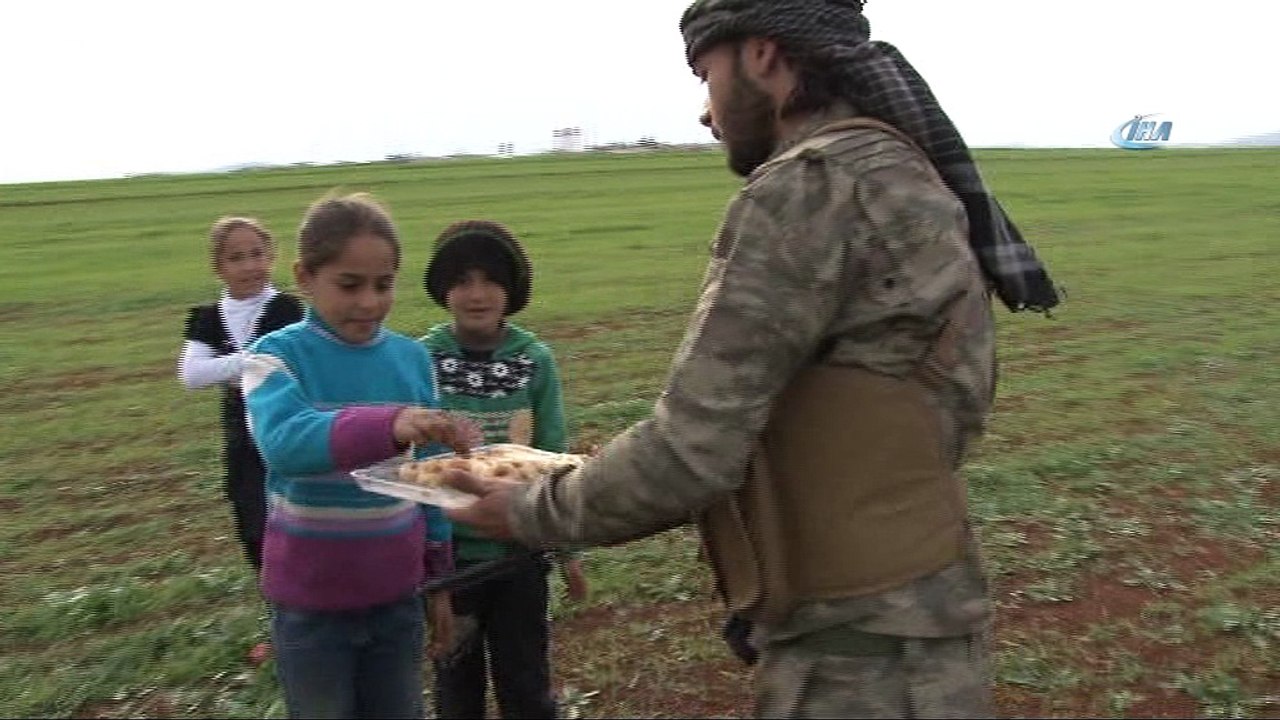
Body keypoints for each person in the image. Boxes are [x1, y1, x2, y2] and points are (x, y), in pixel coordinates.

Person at [446, 1, 1062, 717]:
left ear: (763, 57)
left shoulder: (806, 188)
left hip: (853, 659)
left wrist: (527, 508)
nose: (706, 111)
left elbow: (691, 451)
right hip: (927, 632)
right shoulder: (907, 177)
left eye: (706, 73)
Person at [241, 192, 481, 719]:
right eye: (349, 285)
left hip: (396, 599)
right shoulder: (275, 357)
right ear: (305, 276)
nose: (369, 302)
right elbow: (284, 442)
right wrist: (389, 425)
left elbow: (430, 478)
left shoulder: (411, 360)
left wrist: (437, 578)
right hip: (311, 609)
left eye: (383, 284)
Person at [420, 219, 588, 719]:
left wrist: (568, 550)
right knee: (455, 690)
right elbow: (417, 467)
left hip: (519, 556)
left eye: (492, 279)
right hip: (452, 563)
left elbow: (553, 456)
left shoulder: (535, 362)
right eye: (463, 280)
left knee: (526, 684)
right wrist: (429, 565)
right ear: (443, 289)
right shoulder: (420, 359)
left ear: (512, 290)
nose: (477, 293)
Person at [178, 217, 304, 576]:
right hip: (241, 438)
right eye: (236, 258)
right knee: (254, 519)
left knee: (295, 517)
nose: (250, 266)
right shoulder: (209, 318)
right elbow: (191, 374)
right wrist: (255, 360)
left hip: (286, 426)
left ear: (271, 257)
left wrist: (227, 368)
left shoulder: (286, 309)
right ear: (219, 267)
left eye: (257, 254)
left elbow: (294, 363)